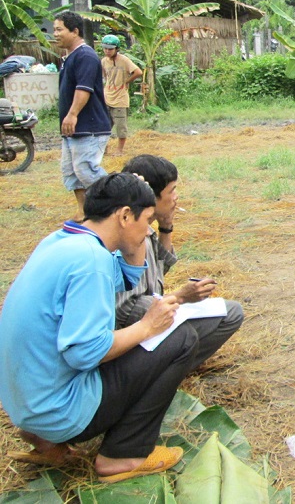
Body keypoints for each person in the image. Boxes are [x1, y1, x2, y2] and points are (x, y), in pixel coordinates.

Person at [0, 173, 195, 482]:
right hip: (59, 410)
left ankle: (46, 438)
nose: (148, 232)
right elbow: (84, 354)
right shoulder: (91, 261)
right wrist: (147, 326)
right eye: (146, 221)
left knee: (147, 336)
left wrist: (135, 192)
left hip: (27, 403)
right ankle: (123, 455)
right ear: (124, 215)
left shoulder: (63, 241)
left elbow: (128, 277)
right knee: (181, 338)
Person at [118, 155, 244, 371]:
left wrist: (166, 227)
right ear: (151, 197)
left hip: (148, 318)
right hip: (129, 333)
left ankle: (171, 367)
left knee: (230, 312)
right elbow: (127, 310)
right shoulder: (126, 238)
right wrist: (180, 297)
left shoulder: (146, 228)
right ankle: (160, 372)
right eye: (172, 190)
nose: (176, 197)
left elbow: (158, 272)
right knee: (200, 329)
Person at [54, 11, 112, 219]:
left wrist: (72, 115)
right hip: (73, 128)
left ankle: (119, 201)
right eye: (55, 29)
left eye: (60, 29)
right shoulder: (70, 57)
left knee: (86, 170)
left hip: (90, 126)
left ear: (75, 31)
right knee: (72, 173)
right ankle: (84, 211)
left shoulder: (85, 55)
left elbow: (84, 89)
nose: (55, 33)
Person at [100, 35, 142, 156]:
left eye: (110, 49)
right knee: (104, 126)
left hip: (120, 99)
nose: (107, 51)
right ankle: (104, 149)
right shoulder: (103, 61)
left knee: (120, 127)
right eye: (105, 49)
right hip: (107, 97)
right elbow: (104, 75)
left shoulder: (123, 60)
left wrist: (126, 81)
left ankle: (119, 150)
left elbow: (138, 72)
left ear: (116, 49)